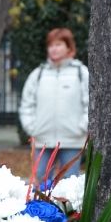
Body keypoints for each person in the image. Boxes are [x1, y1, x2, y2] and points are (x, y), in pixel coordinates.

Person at [18, 27, 88, 185]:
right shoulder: (38, 74)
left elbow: (90, 104)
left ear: (69, 47)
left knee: (70, 184)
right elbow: (26, 104)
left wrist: (82, 127)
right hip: (43, 139)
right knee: (40, 183)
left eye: (58, 44)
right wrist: (32, 128)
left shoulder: (81, 73)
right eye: (51, 45)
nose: (53, 49)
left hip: (72, 139)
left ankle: (66, 211)